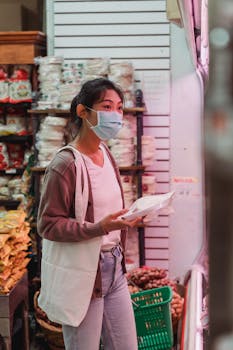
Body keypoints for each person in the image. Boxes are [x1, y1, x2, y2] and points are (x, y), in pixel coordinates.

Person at [37, 78, 141, 350]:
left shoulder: (106, 153)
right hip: (84, 274)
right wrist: (99, 228)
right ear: (83, 112)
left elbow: (108, 213)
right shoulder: (66, 163)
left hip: (114, 268)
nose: (116, 115)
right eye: (107, 106)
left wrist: (129, 217)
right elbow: (47, 225)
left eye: (119, 108)